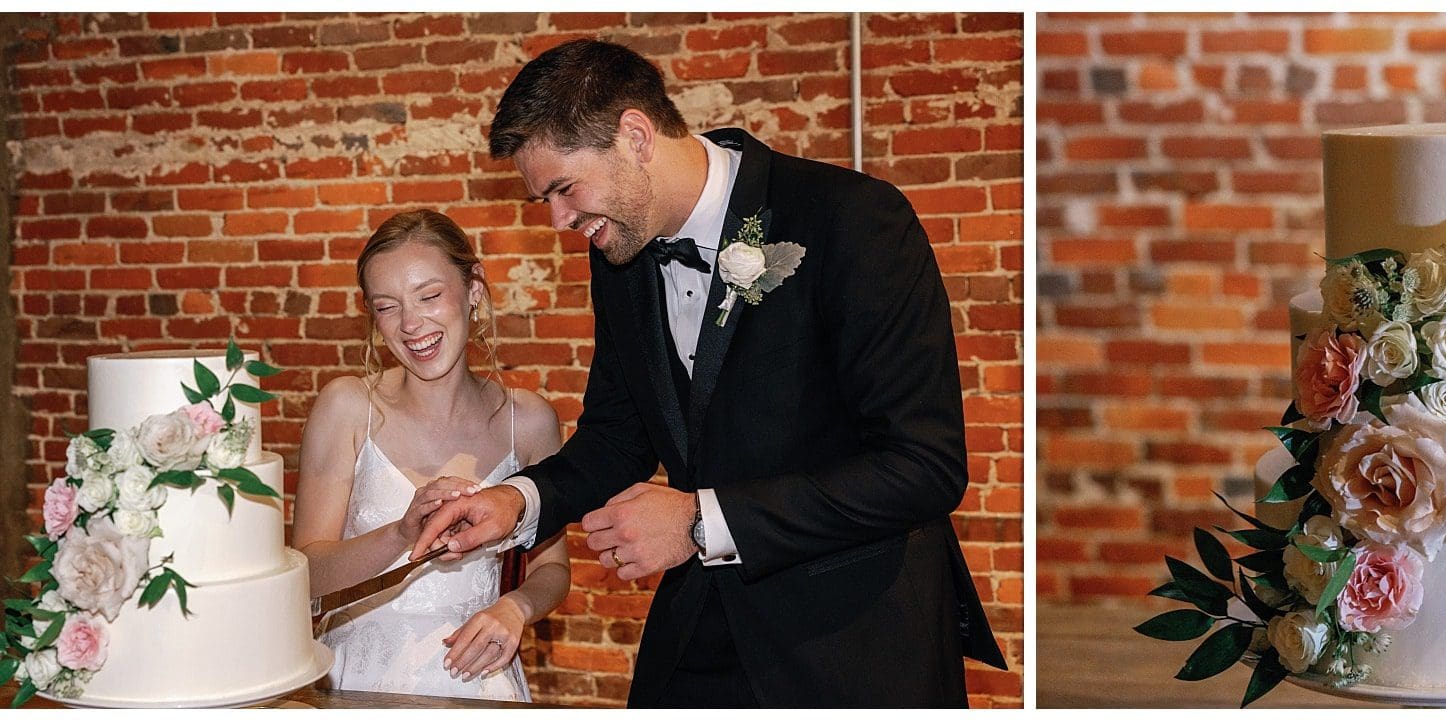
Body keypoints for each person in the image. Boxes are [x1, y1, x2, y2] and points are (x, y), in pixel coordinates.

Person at [411, 38, 1005, 707]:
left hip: (854, 643)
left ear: (635, 135)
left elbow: (923, 465)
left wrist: (701, 521)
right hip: (704, 634)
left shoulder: (854, 219)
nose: (559, 221)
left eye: (563, 189)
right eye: (544, 201)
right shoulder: (620, 257)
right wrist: (514, 502)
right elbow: (618, 437)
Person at [292, 209, 570, 702]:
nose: (412, 323)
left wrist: (515, 608)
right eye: (387, 306)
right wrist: (401, 533)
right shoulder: (348, 407)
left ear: (474, 292)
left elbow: (553, 568)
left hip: (477, 681)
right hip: (357, 679)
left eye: (430, 295)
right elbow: (307, 571)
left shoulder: (528, 422)